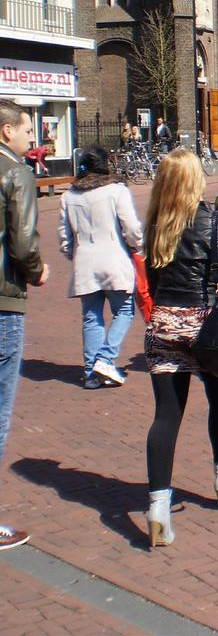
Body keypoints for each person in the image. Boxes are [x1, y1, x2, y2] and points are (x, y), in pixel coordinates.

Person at [142, 149, 218, 548]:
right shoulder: (216, 222)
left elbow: (153, 284)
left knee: (166, 417)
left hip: (165, 324)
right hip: (206, 327)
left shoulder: (155, 223)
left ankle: (158, 506)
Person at [0, 100, 48, 551]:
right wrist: (36, 270)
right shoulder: (16, 173)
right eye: (25, 130)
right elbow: (21, 241)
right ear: (5, 132)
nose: (31, 137)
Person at [58, 147, 143, 389]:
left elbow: (64, 237)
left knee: (91, 317)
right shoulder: (116, 191)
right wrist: (137, 246)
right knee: (124, 311)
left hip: (85, 261)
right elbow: (131, 227)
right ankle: (105, 358)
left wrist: (72, 254)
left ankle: (90, 372)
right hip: (114, 260)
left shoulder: (68, 196)